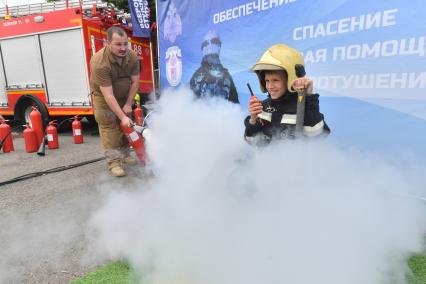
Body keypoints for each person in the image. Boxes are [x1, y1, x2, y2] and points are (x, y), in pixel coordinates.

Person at [244, 44, 330, 144]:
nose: (270, 86)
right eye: (267, 80)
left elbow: (317, 138)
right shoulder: (262, 106)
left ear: (291, 79)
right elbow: (253, 142)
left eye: (275, 80)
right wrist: (253, 120)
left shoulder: (303, 107)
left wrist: (309, 98)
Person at [90, 26, 140, 177]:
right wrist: (122, 116)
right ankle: (114, 162)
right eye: (118, 44)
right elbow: (108, 95)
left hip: (124, 96)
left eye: (125, 43)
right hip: (104, 98)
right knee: (110, 127)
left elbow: (135, 83)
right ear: (108, 43)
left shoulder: (132, 57)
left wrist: (127, 104)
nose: (123, 48)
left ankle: (125, 154)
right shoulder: (99, 62)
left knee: (126, 126)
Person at [190, 30, 239, 103]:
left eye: (214, 41)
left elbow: (235, 104)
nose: (209, 46)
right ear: (202, 48)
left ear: (219, 46)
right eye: (205, 43)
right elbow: (187, 102)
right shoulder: (196, 76)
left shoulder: (226, 77)